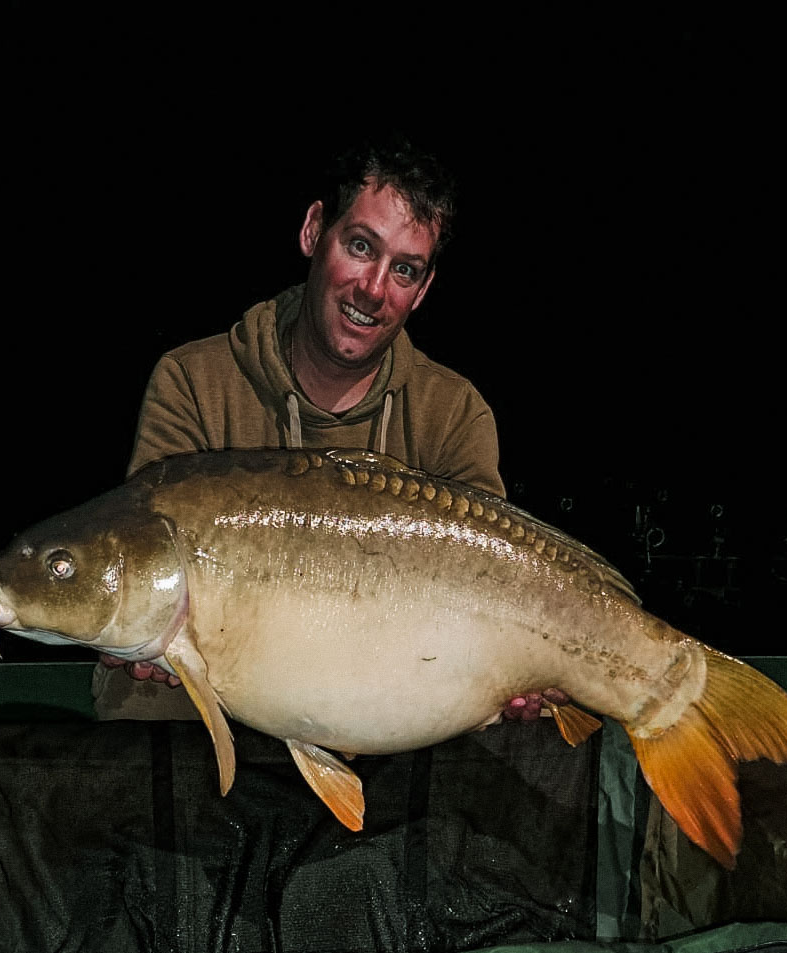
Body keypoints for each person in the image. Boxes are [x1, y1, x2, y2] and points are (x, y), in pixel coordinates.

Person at [93, 133, 562, 723]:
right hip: (199, 721)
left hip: (384, 712)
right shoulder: (193, 380)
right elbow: (140, 552)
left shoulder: (454, 414)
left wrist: (525, 673)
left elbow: (495, 588)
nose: (373, 289)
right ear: (315, 230)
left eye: (405, 270)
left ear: (423, 290)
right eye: (361, 246)